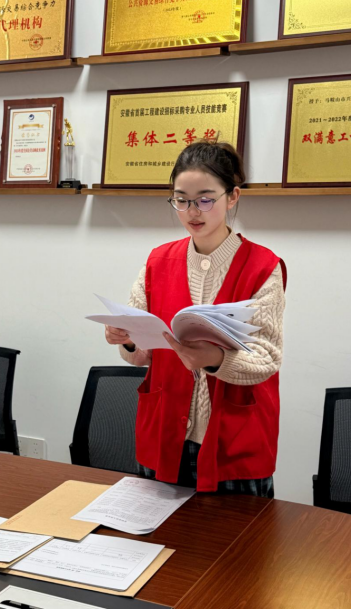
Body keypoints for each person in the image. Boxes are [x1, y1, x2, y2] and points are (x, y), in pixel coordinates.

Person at [105, 140, 287, 496]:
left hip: (234, 441)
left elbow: (267, 358)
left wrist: (215, 359)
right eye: (181, 199)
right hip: (164, 433)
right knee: (156, 530)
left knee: (236, 533)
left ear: (232, 197)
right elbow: (142, 355)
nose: (192, 211)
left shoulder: (263, 267)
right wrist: (127, 340)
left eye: (205, 199)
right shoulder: (157, 262)